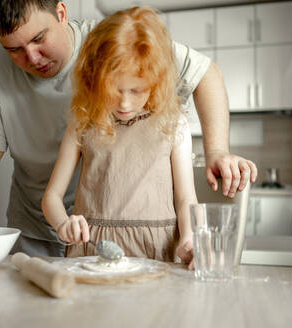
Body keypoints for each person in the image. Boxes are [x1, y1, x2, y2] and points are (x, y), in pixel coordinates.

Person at [0, 0, 257, 257]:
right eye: (15, 49)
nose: (32, 58)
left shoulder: (112, 45)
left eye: (39, 38)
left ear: (61, 13)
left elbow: (205, 73)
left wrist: (217, 150)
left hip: (143, 242)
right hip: (42, 229)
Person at [42, 6, 197, 264]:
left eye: (137, 91)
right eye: (113, 91)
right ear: (93, 80)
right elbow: (51, 197)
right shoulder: (82, 123)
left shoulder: (174, 124)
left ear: (156, 81)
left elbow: (186, 198)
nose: (124, 103)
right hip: (93, 250)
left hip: (157, 249)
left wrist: (190, 237)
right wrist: (63, 224)